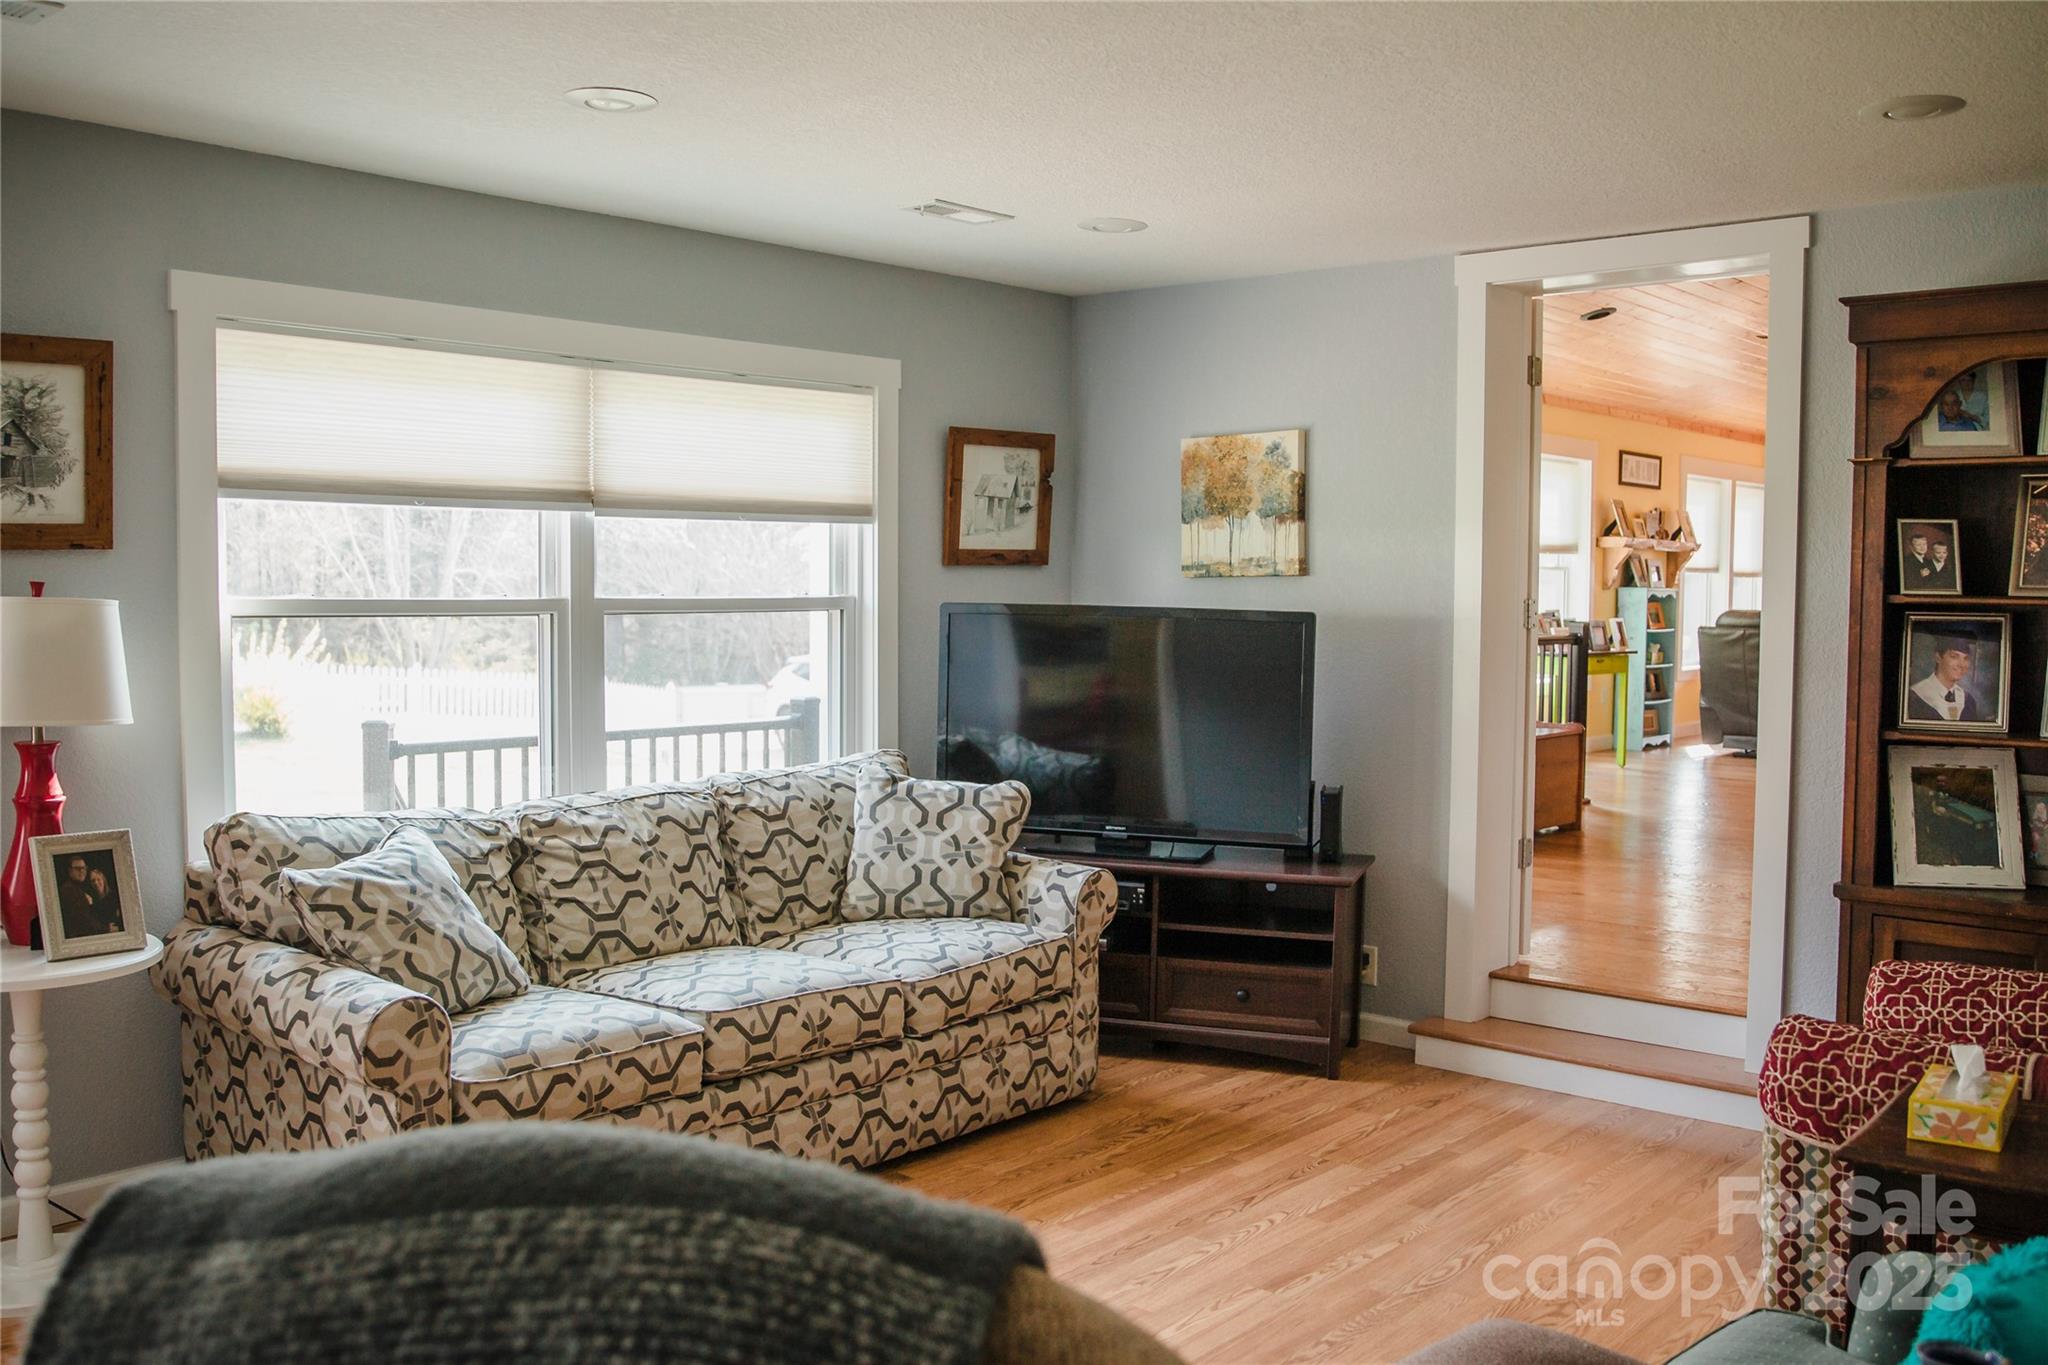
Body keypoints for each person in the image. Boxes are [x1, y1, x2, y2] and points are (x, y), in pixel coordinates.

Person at [1906, 630, 1987, 724]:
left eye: (1966, 658)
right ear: (1938, 658)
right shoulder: (1914, 697)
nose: (1962, 665)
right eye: (1954, 656)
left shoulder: (1968, 701)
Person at [55, 854, 121, 939]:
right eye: (77, 868)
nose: (82, 871)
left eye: (84, 868)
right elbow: (83, 921)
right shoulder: (69, 890)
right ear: (70, 870)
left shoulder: (79, 890)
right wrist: (106, 929)